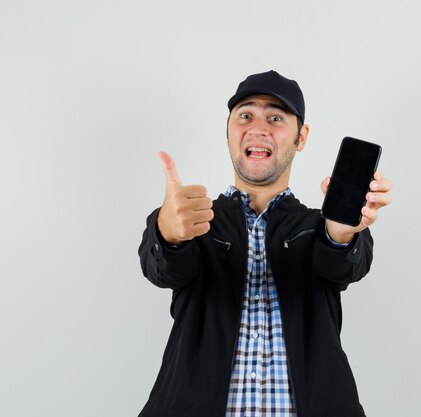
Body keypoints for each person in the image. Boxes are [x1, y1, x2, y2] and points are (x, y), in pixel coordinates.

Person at [138, 70, 393, 417]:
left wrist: (341, 232)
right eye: (245, 115)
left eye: (275, 117)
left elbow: (343, 264)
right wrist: (167, 232)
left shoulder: (317, 227)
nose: (258, 128)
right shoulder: (193, 220)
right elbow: (162, 269)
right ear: (228, 131)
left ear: (300, 137)